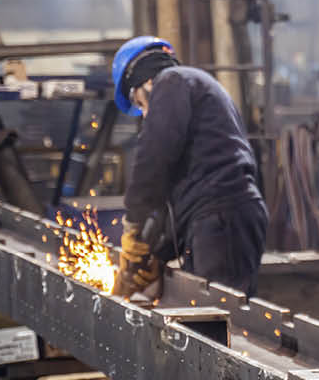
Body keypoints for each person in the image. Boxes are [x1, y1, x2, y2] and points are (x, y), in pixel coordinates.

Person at [110, 36, 267, 297]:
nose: (145, 114)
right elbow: (180, 199)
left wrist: (133, 224)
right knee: (212, 319)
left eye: (139, 103)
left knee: (216, 320)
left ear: (144, 79)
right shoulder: (195, 88)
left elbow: (153, 158)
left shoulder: (172, 82)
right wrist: (159, 256)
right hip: (224, 219)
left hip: (222, 221)